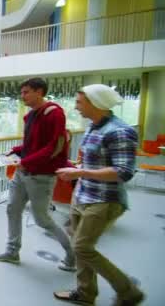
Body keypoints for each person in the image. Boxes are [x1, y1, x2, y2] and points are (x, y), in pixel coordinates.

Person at [54, 84, 144, 305]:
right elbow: (93, 160)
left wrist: (81, 171)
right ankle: (85, 294)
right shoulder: (92, 127)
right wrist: (79, 167)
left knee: (81, 248)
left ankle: (128, 290)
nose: (76, 107)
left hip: (104, 200)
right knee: (82, 250)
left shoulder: (120, 131)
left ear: (97, 104)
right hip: (82, 195)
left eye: (79, 102)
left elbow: (123, 172)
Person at [0, 77, 75, 272]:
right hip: (23, 174)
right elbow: (32, 145)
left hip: (41, 176)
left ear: (39, 91)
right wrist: (15, 151)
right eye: (22, 92)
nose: (23, 96)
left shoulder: (54, 114)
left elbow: (53, 147)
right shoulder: (32, 115)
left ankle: (72, 254)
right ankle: (12, 252)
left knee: (42, 219)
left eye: (26, 92)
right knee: (12, 209)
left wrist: (25, 161)